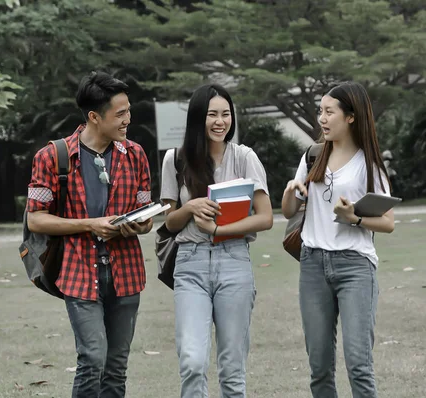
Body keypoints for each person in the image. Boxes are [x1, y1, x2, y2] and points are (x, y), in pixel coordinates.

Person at [26, 71, 152, 398]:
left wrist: (141, 222)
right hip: (78, 271)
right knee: (93, 358)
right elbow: (37, 220)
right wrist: (89, 224)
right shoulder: (53, 157)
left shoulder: (135, 155)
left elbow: (145, 214)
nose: (128, 120)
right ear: (94, 117)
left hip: (126, 272)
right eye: (120, 114)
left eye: (128, 111)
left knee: (116, 364)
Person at [281, 82, 395, 398]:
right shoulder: (313, 156)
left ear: (351, 117)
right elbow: (289, 210)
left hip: (355, 266)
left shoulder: (369, 164)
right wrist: (291, 192)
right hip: (313, 265)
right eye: (321, 111)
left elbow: (388, 223)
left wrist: (354, 218)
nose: (322, 118)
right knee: (319, 367)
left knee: (358, 363)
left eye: (329, 112)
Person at [160, 83, 273, 398]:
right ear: (198, 118)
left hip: (234, 261)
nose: (220, 121)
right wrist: (190, 207)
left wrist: (219, 230)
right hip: (190, 263)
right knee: (193, 361)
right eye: (212, 114)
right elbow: (169, 221)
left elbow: (265, 217)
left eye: (226, 114)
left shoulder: (244, 157)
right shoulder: (175, 159)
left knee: (232, 371)